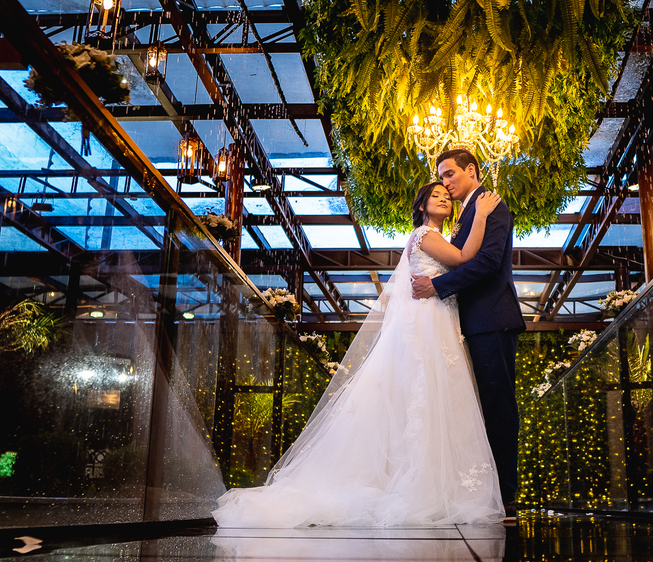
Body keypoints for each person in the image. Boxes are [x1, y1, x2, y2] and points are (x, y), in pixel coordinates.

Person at [214, 180, 505, 527]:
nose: (444, 198)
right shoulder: (425, 235)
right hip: (428, 322)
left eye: (446, 196)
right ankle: (423, 484)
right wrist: (482, 214)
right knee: (425, 392)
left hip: (439, 317)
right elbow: (464, 258)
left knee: (430, 396)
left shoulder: (440, 237)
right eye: (435, 196)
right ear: (422, 206)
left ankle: (435, 482)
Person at [411, 148, 526, 519]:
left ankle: (504, 496)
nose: (445, 182)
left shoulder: (490, 206)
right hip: (468, 324)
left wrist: (437, 286)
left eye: (449, 174)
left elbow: (489, 262)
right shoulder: (465, 214)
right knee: (477, 408)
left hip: (491, 318)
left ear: (472, 170)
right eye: (441, 177)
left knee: (497, 407)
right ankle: (481, 492)